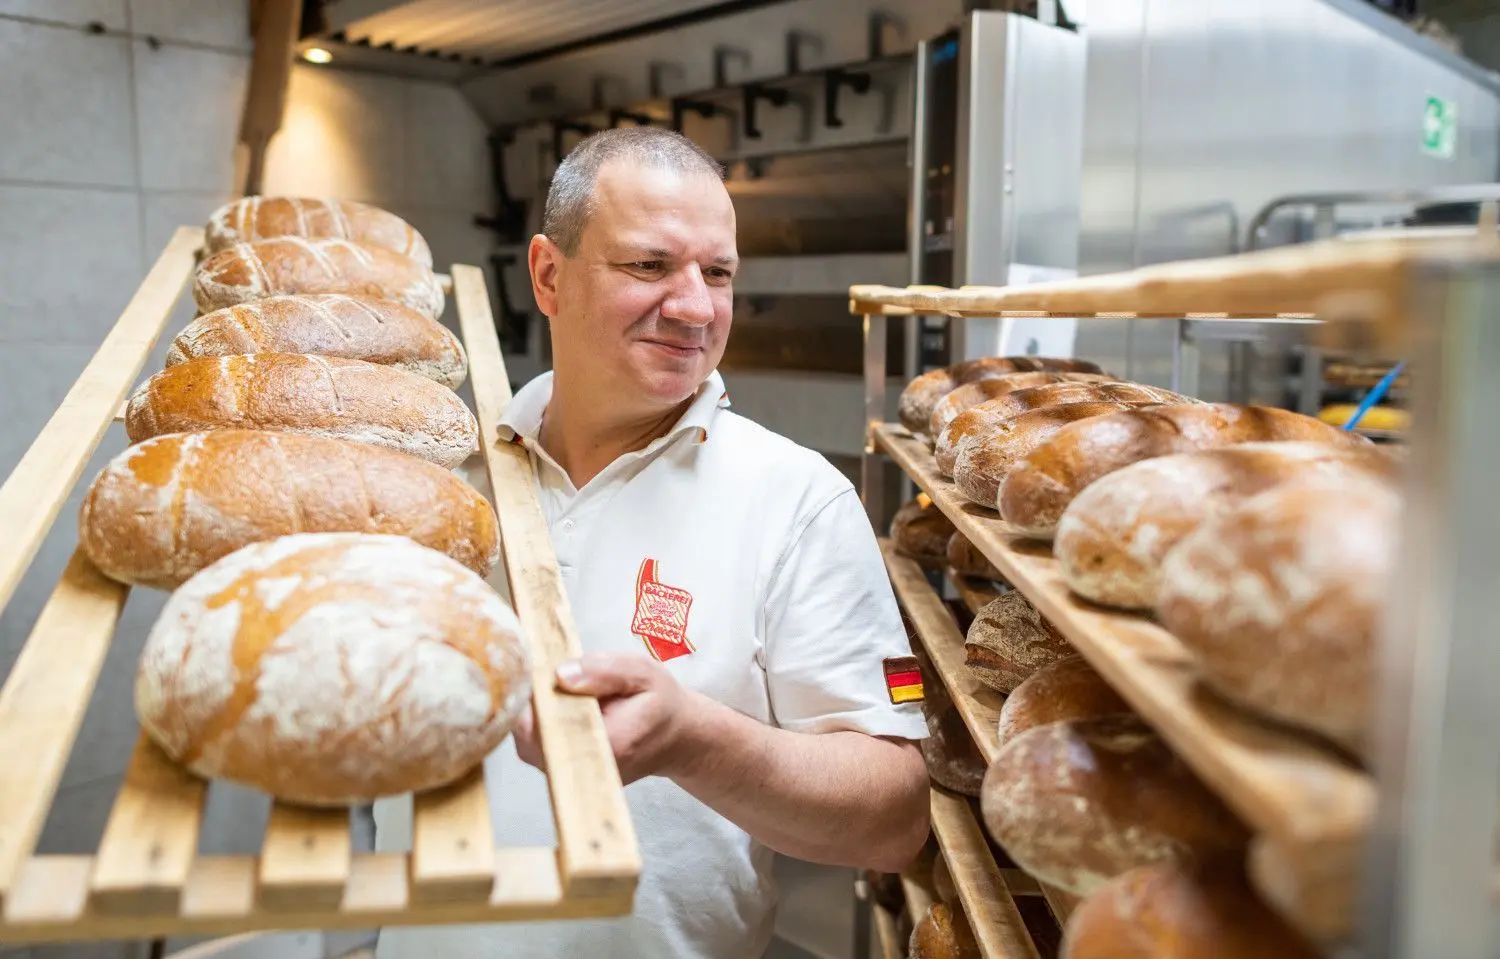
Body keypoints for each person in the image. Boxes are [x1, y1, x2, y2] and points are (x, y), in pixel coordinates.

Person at [374, 126, 930, 959]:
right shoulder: (438, 474)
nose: (696, 307)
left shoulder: (797, 499)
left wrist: (694, 738)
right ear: (548, 275)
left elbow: (894, 819)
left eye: (718, 273)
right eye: (650, 266)